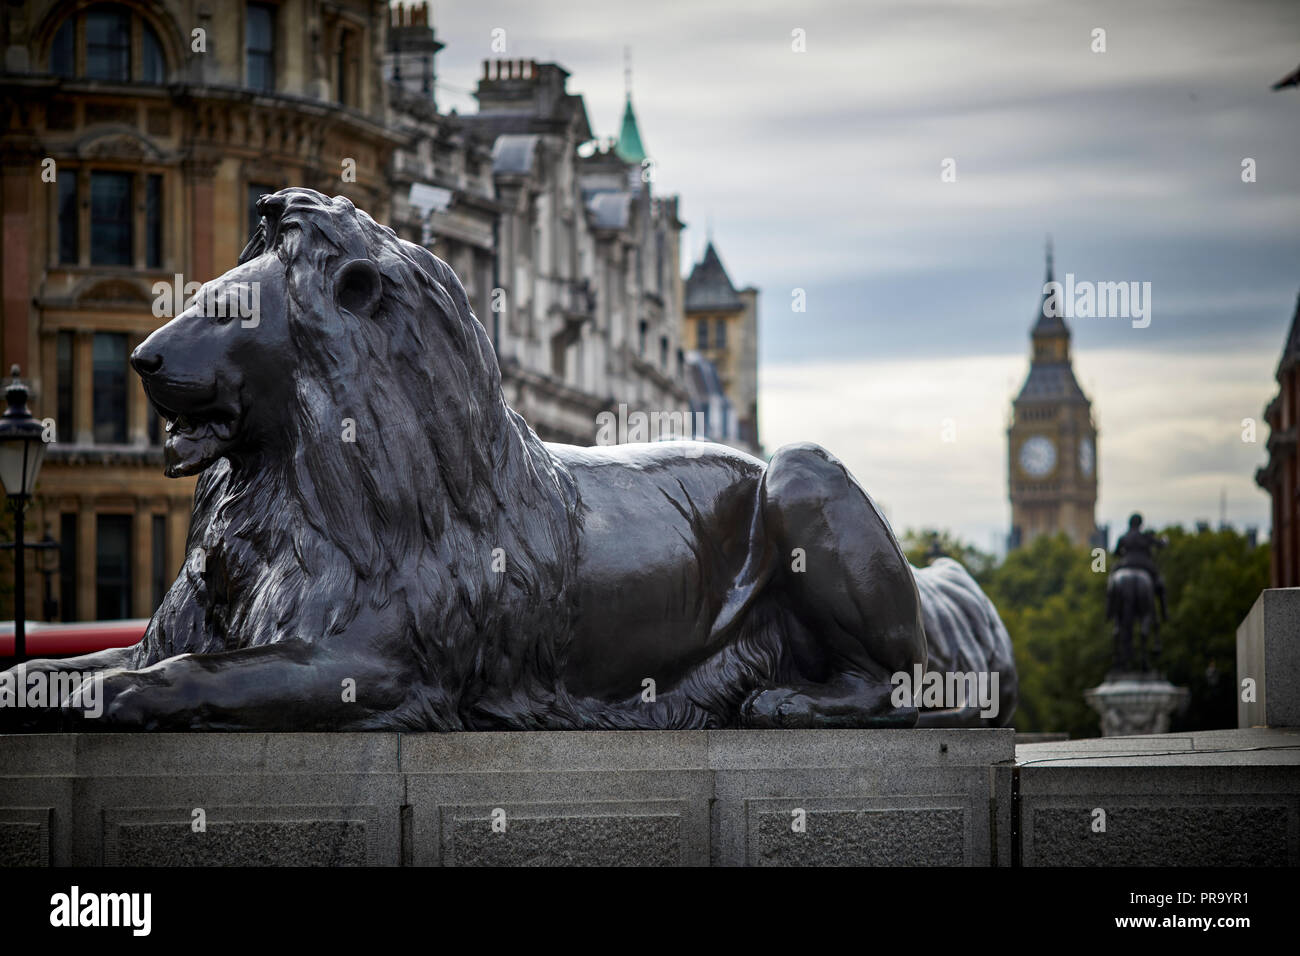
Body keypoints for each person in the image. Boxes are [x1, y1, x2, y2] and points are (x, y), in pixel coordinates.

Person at [1114, 512, 1167, 618]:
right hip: (1145, 565)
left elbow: (1116, 553)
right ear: (1140, 524)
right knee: (1160, 583)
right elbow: (1160, 544)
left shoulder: (1124, 537)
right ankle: (1164, 612)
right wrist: (1165, 540)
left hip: (1125, 564)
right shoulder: (1146, 536)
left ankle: (1110, 611)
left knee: (1112, 581)